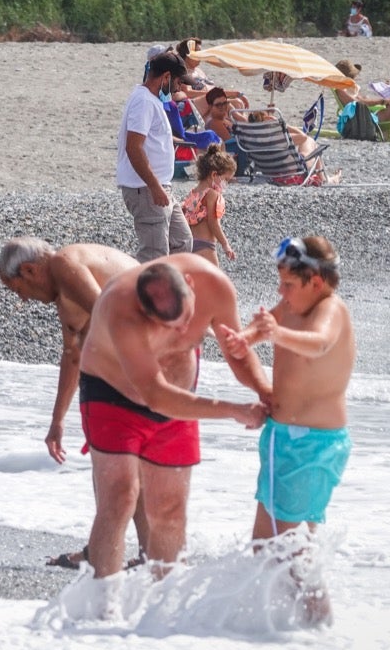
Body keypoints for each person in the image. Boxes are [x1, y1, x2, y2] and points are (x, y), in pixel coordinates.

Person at [78, 253, 271, 594]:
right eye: (169, 326)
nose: (183, 331)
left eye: (187, 320)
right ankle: (101, 604)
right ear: (143, 309)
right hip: (113, 397)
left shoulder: (215, 285)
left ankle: (164, 602)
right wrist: (233, 410)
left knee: (170, 509)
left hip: (180, 401)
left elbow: (237, 353)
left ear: (191, 285)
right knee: (119, 498)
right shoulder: (121, 309)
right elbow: (156, 395)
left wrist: (265, 392)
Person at [221, 236, 354, 626]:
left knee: (293, 549)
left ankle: (321, 627)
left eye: (289, 285)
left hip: (312, 445)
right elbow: (265, 325)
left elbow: (319, 344)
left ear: (316, 281)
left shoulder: (330, 310)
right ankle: (283, 625)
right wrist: (245, 338)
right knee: (265, 545)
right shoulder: (294, 305)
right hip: (281, 439)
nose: (281, 292)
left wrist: (275, 334)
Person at [0, 237, 150, 569]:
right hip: (149, 352)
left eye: (18, 289)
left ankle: (115, 553)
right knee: (117, 462)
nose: (23, 299)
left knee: (115, 461)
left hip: (148, 352)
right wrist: (57, 421)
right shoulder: (66, 287)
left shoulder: (64, 265)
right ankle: (134, 552)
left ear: (29, 270)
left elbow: (109, 316)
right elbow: (73, 355)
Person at [117, 50, 193, 261]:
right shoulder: (144, 102)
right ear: (166, 77)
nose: (179, 88)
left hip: (158, 186)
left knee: (182, 241)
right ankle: (133, 281)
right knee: (153, 254)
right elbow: (134, 147)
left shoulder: (151, 100)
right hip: (145, 189)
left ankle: (170, 283)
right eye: (178, 82)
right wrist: (155, 186)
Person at [333, 59, 390, 144]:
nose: (355, 78)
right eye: (353, 76)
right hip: (368, 119)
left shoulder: (349, 88)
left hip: (369, 115)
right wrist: (382, 101)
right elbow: (359, 103)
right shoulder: (341, 90)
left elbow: (362, 102)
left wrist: (387, 100)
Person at [181, 144, 236, 266]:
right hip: (206, 246)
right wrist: (225, 244)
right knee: (213, 276)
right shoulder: (212, 194)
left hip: (191, 244)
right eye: (226, 179)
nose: (225, 184)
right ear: (214, 175)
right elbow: (213, 222)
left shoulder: (194, 193)